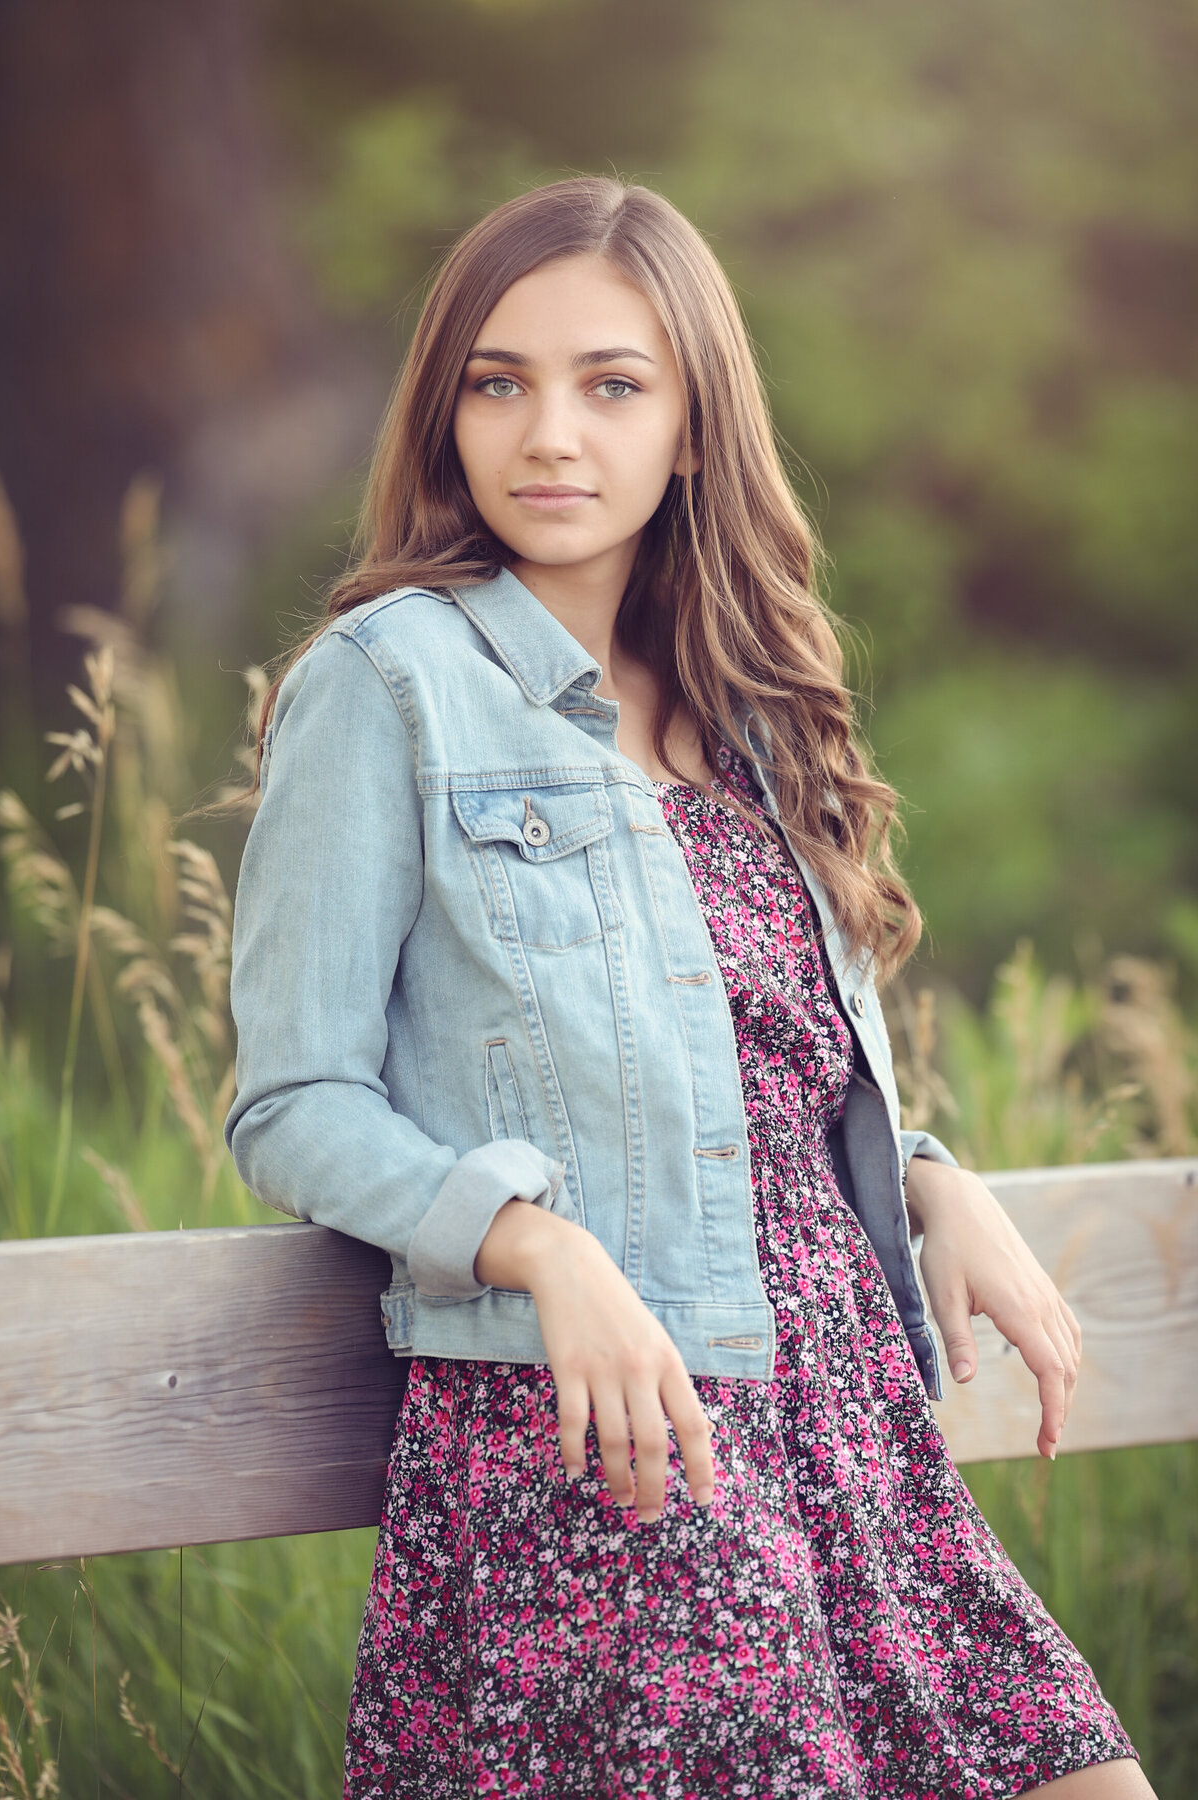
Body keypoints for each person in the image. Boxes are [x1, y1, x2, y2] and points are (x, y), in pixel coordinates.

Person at [225, 177, 1151, 1799]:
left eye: (613, 384)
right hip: (617, 1461)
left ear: (696, 428)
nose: (548, 434)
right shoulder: (388, 684)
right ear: (445, 416)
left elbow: (760, 1073)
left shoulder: (756, 711)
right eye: (498, 382)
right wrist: (535, 1242)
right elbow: (293, 1104)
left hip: (854, 1435)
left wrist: (926, 1177)